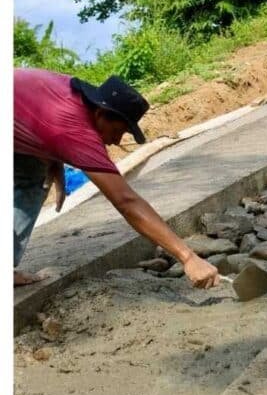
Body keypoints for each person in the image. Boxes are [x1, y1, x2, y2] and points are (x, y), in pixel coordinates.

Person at [14, 68, 219, 290]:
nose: (116, 141)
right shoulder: (74, 130)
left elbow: (36, 111)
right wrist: (188, 257)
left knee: (33, 179)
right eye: (117, 130)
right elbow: (126, 201)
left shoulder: (79, 97)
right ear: (101, 114)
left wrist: (53, 160)